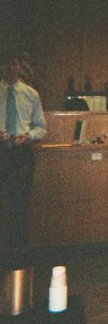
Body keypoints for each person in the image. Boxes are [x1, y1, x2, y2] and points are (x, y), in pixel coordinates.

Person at [0, 49, 47, 253]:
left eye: (13, 63)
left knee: (20, 203)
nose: (9, 68)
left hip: (22, 154)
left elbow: (41, 128)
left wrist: (27, 136)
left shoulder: (31, 94)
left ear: (19, 66)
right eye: (5, 64)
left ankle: (18, 250)